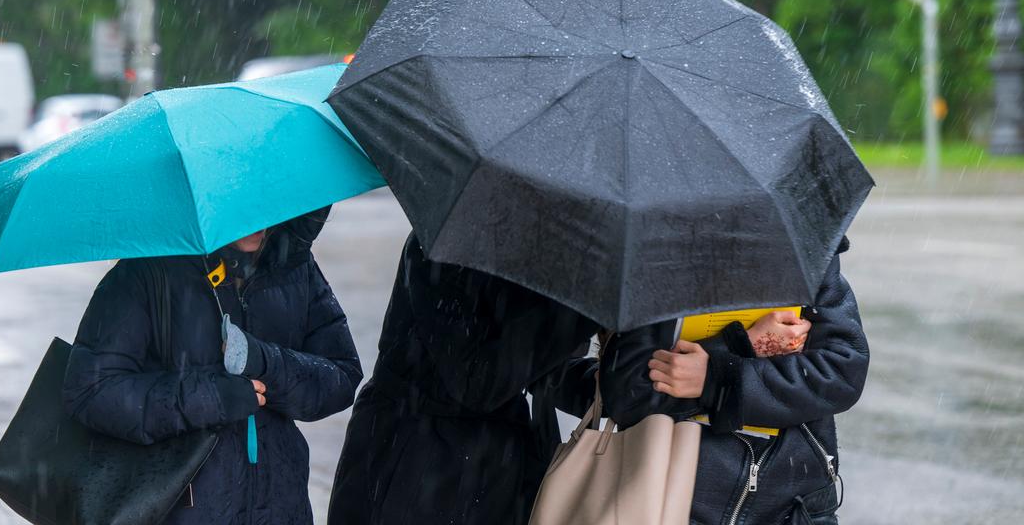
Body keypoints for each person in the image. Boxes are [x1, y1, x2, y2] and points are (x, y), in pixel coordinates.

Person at [62, 208, 362, 525]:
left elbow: (340, 377)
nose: (257, 217)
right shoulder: (146, 273)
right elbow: (92, 391)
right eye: (242, 204)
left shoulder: (295, 267)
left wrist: (265, 362)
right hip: (181, 507)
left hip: (281, 506)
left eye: (262, 199)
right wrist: (210, 397)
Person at [328, 233, 598, 525]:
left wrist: (625, 383)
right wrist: (578, 313)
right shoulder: (443, 243)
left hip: (499, 472)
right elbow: (477, 380)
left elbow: (546, 373)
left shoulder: (540, 249)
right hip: (414, 461)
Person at [599, 237, 868, 525]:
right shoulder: (655, 257)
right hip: (672, 499)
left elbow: (841, 373)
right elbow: (627, 393)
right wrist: (735, 349)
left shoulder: (807, 248)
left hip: (795, 506)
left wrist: (718, 377)